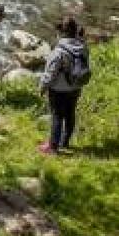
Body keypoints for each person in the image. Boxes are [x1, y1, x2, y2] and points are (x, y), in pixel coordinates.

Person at [38, 17, 89, 155]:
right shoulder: (83, 47)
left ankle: (53, 147)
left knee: (57, 116)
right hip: (75, 87)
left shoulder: (58, 51)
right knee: (70, 114)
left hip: (58, 90)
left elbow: (50, 74)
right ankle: (65, 142)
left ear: (61, 32)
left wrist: (42, 87)